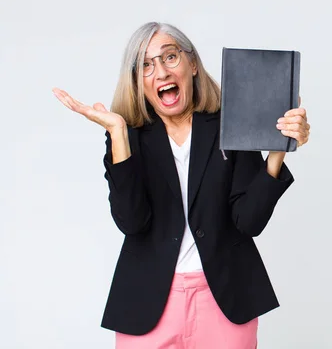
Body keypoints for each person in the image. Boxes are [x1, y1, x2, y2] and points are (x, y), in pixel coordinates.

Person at [52, 21, 310, 349]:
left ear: (191, 64)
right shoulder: (128, 137)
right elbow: (132, 221)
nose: (160, 72)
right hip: (148, 303)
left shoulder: (229, 127)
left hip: (224, 301)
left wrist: (277, 151)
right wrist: (117, 132)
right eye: (145, 64)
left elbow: (249, 221)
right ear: (138, 81)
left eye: (169, 57)